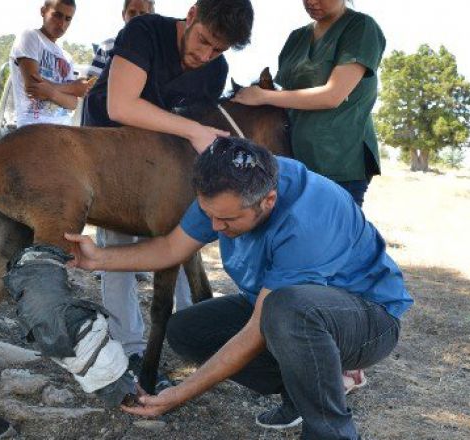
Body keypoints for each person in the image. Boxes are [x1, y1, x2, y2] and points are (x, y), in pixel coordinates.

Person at [65, 137, 413, 440]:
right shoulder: (226, 186)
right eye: (209, 215)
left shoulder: (307, 219)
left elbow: (256, 331)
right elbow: (172, 248)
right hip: (285, 307)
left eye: (228, 220)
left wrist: (181, 393)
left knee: (289, 311)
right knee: (187, 330)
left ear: (269, 200)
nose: (215, 227)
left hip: (368, 318)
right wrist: (98, 259)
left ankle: (332, 432)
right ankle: (302, 393)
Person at [81, 0, 254, 368]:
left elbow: (196, 136)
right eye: (203, 40)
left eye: (218, 49)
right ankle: (128, 347)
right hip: (111, 160)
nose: (205, 56)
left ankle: (191, 335)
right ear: (191, 15)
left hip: (166, 172)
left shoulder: (215, 70)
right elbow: (120, 106)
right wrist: (193, 130)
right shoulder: (144, 31)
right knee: (118, 249)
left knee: (182, 241)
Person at [233, 0, 386, 208]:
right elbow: (285, 96)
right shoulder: (296, 38)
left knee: (329, 227)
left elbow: (333, 96)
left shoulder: (361, 27)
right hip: (292, 164)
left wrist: (262, 97)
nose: (311, 2)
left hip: (339, 163)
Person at [8, 0, 93, 128]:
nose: (62, 23)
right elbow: (33, 87)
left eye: (68, 19)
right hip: (33, 129)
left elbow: (72, 103)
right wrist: (72, 88)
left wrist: (51, 92)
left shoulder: (67, 57)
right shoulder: (30, 36)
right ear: (43, 11)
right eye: (57, 15)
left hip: (63, 130)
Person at [86, 0, 156, 79]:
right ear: (123, 15)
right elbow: (91, 82)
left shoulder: (158, 52)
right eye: (132, 12)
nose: (136, 17)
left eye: (142, 13)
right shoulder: (105, 47)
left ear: (151, 18)